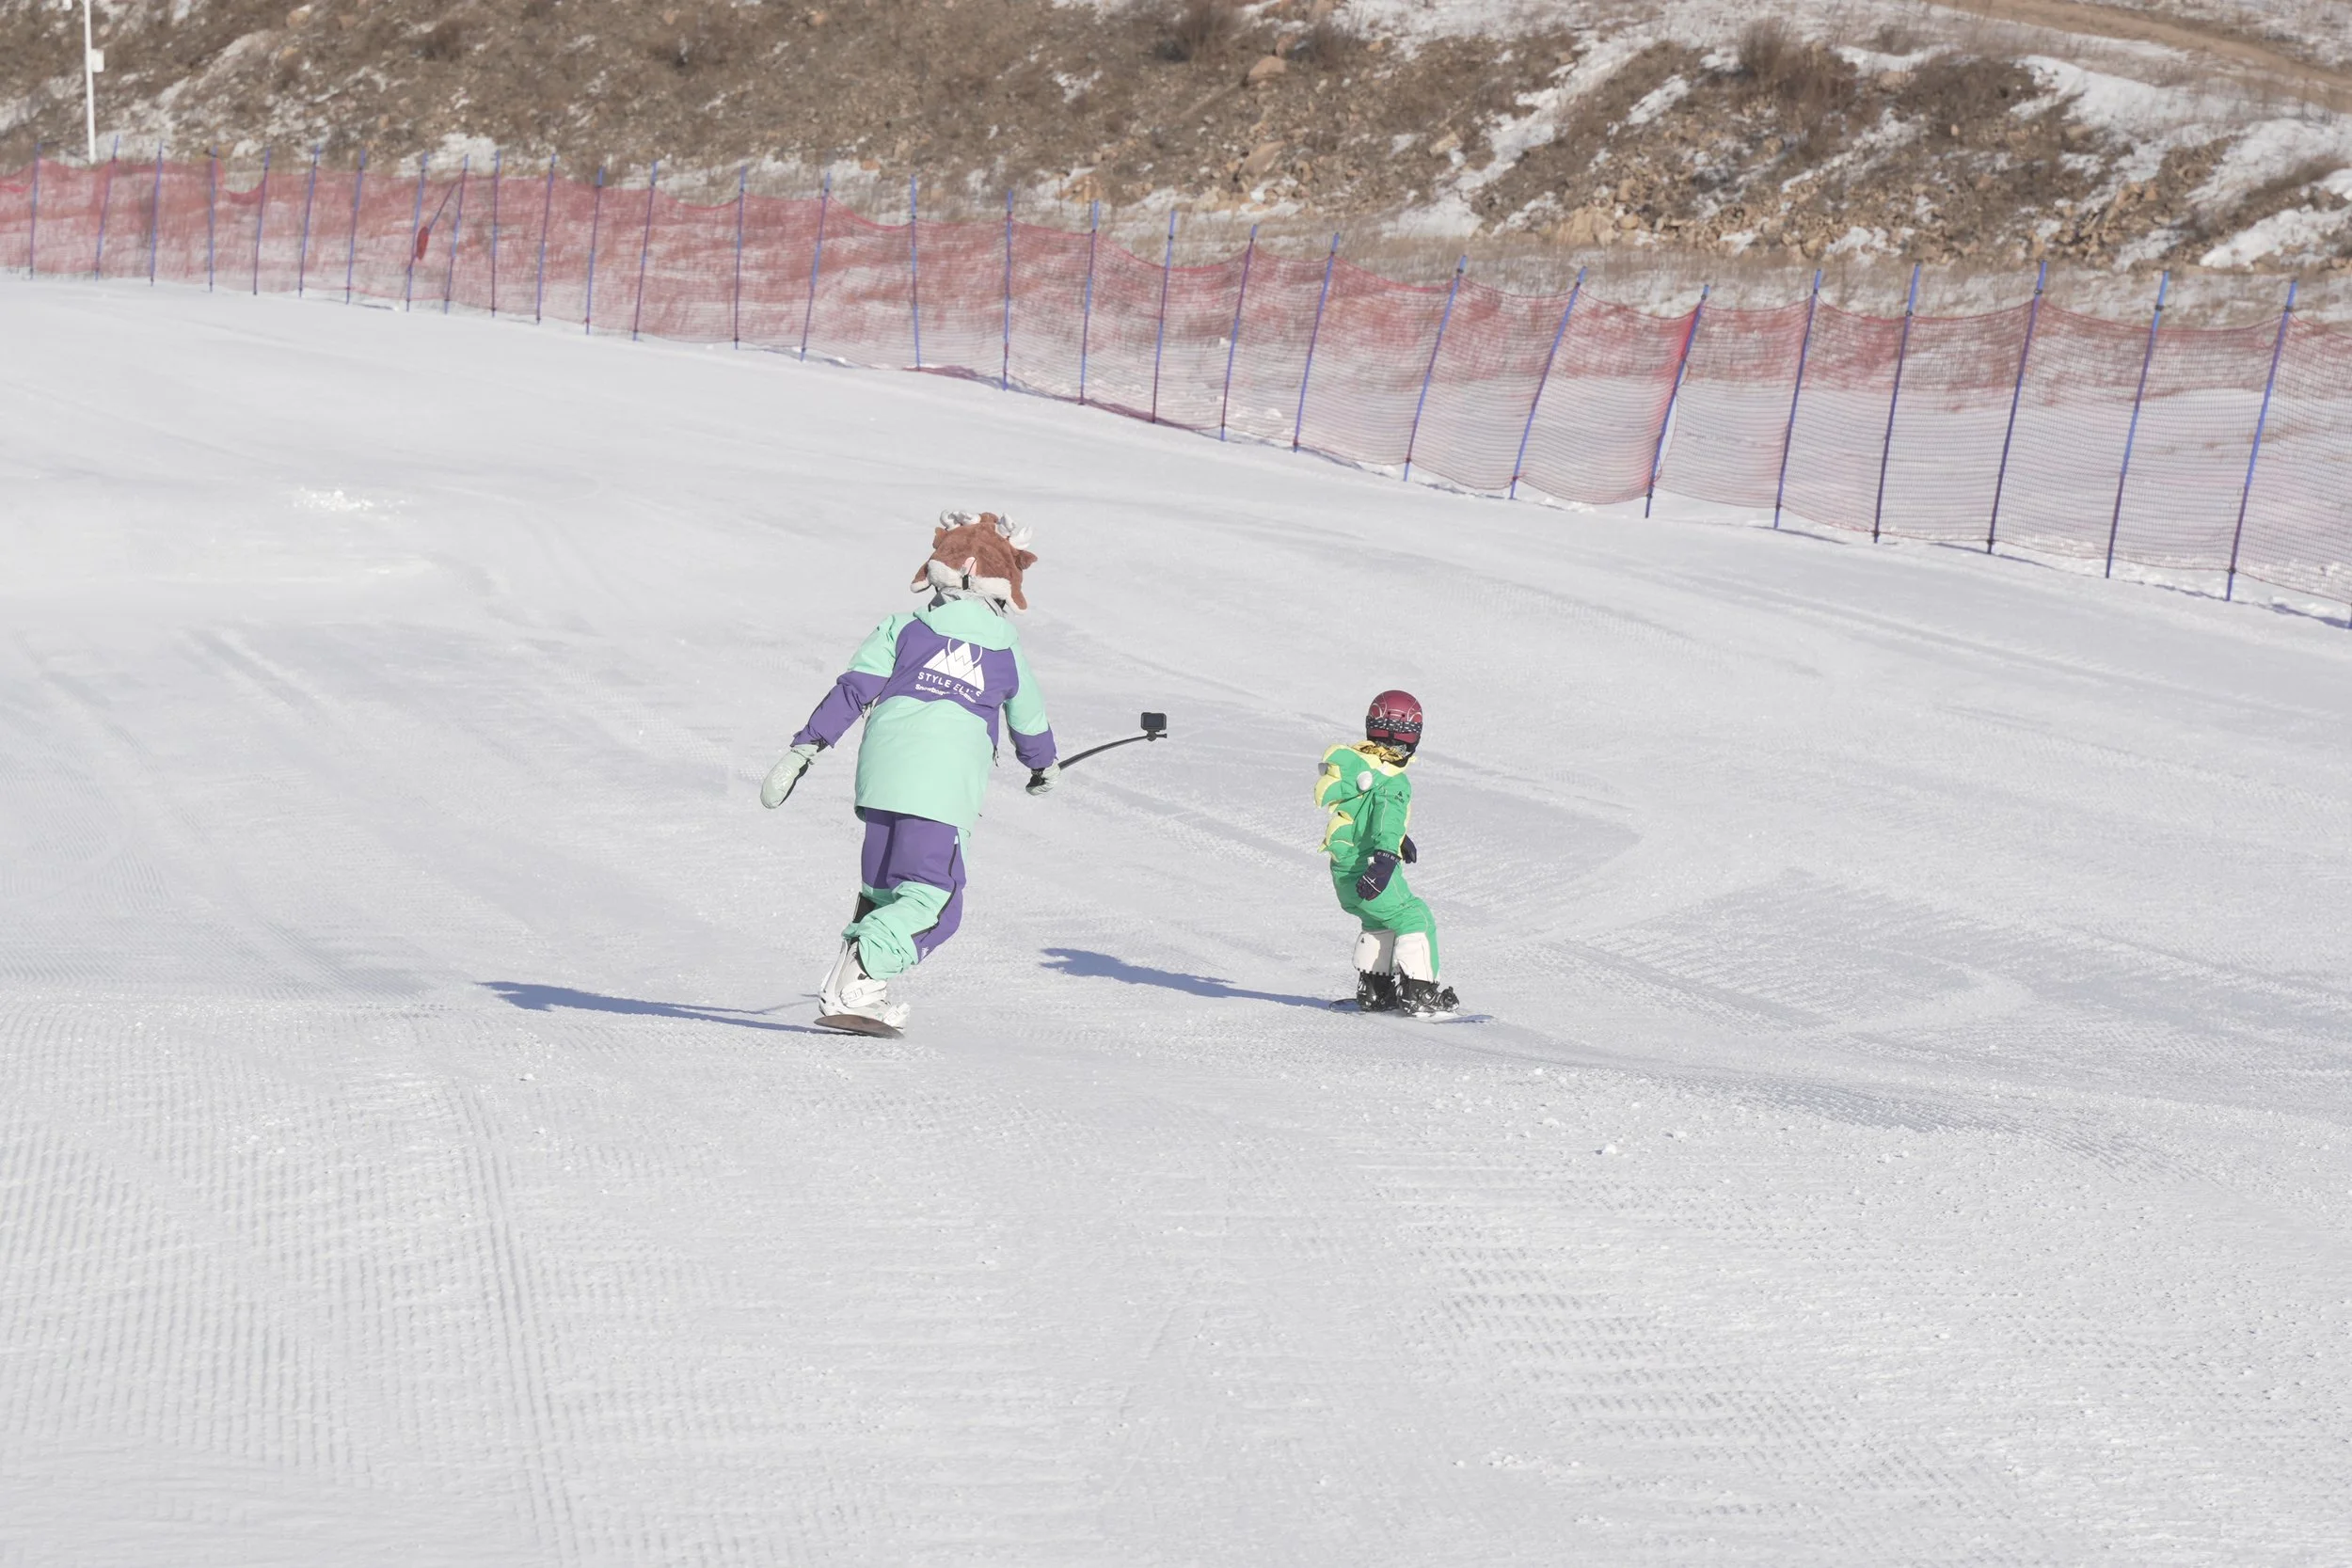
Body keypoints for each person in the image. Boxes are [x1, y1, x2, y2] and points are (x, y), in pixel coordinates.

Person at [761, 511, 1057, 1034]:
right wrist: (1041, 766)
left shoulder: (903, 628)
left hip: (883, 778)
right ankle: (859, 978)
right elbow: (1028, 720)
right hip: (941, 789)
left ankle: (861, 989)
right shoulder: (1006, 649)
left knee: (884, 892)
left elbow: (854, 689)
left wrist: (805, 749)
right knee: (933, 899)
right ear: (1005, 584)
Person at [1315, 690, 1458, 1017]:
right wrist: (1385, 859)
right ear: (1414, 736)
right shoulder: (1394, 781)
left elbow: (1366, 812)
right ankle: (1421, 992)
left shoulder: (1365, 770)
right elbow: (1386, 819)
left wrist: (1400, 838)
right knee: (1414, 916)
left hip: (1344, 873)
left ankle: (1375, 990)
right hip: (1372, 868)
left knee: (1377, 920)